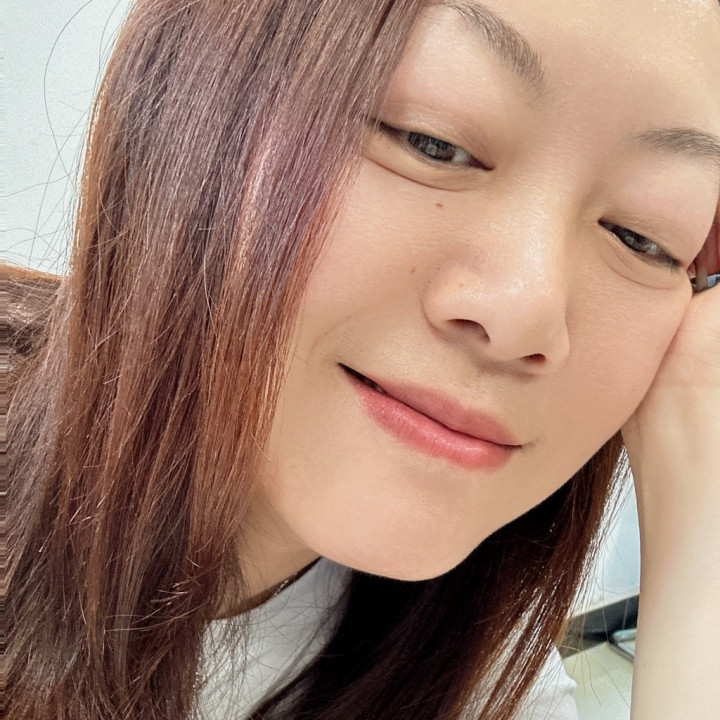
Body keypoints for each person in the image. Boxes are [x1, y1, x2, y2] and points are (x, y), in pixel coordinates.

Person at [5, 0, 720, 718]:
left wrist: (700, 537)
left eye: (643, 237)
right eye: (431, 142)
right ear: (187, 94)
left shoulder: (475, 666)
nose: (524, 312)